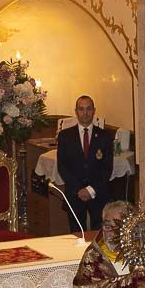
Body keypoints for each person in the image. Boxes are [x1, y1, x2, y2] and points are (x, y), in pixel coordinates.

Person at [55, 95, 115, 231]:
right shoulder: (65, 136)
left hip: (98, 193)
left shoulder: (105, 136)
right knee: (76, 234)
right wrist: (78, 190)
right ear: (76, 111)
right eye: (81, 109)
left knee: (99, 234)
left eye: (88, 109)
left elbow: (107, 168)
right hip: (74, 194)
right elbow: (62, 167)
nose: (85, 113)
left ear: (94, 111)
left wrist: (91, 190)